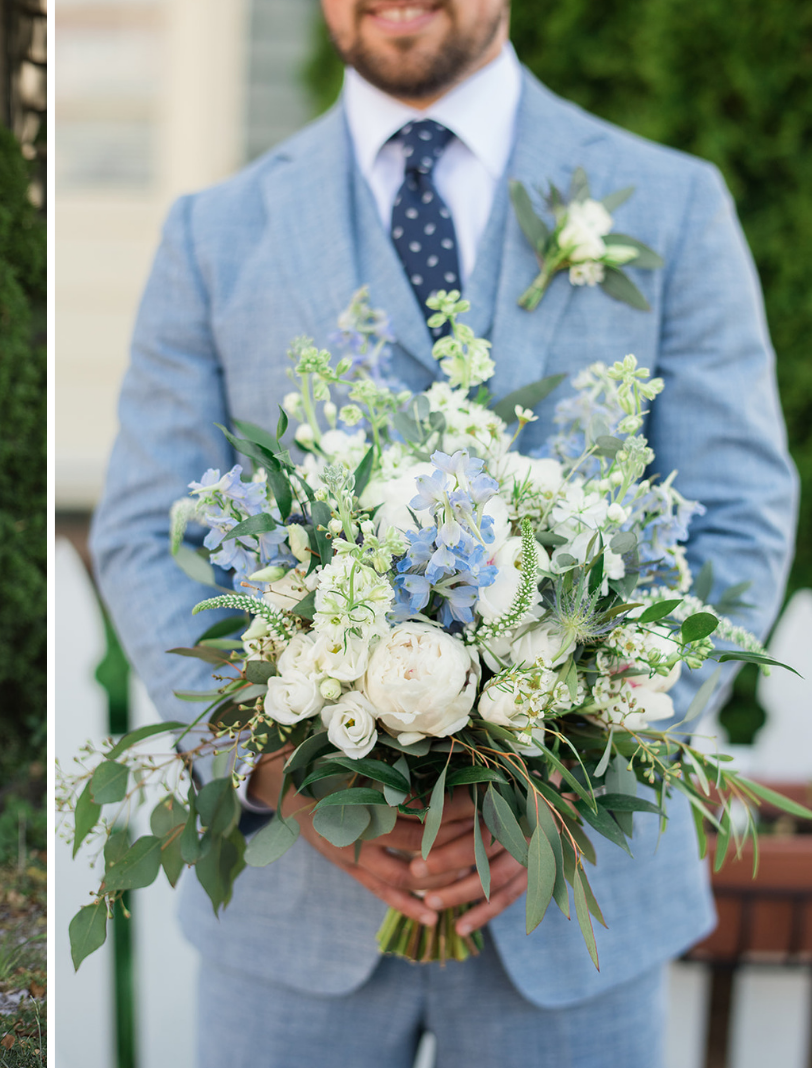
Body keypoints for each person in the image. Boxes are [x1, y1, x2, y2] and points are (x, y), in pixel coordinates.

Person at [89, 1, 798, 1065]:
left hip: (573, 910)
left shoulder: (675, 200)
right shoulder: (215, 229)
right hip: (297, 916)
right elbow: (150, 527)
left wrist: (580, 760)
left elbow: (740, 515)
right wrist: (277, 767)